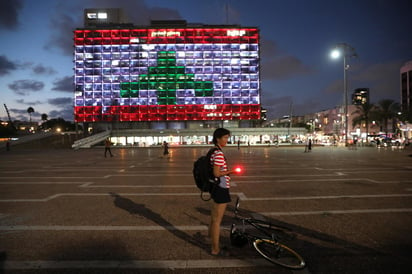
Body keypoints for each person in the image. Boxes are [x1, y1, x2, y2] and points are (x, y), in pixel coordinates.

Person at [208, 128, 234, 256]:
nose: (227, 140)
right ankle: (215, 249)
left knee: (213, 218)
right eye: (225, 137)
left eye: (227, 137)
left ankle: (211, 239)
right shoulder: (218, 153)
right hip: (221, 188)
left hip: (216, 188)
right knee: (217, 221)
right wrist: (230, 172)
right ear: (218, 138)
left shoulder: (213, 151)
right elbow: (217, 173)